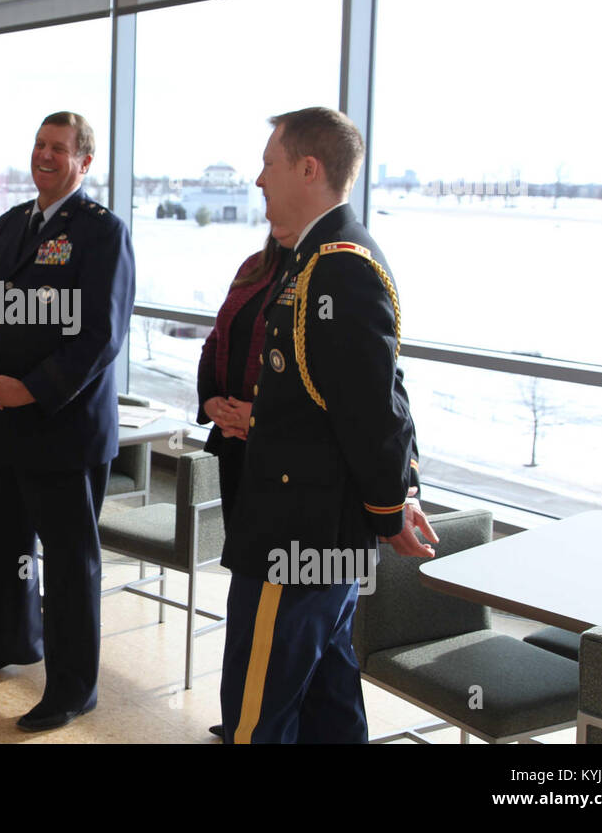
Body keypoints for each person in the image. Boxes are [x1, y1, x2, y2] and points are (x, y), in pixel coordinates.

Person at [219, 107, 436, 744]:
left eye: (268, 164)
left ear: (308, 168)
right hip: (313, 529)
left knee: (258, 718)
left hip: (297, 534)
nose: (259, 180)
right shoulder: (310, 256)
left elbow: (374, 406)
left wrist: (393, 503)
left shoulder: (338, 263)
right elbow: (347, 395)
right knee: (325, 703)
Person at [0, 111, 135, 733]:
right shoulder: (9, 226)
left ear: (85, 162)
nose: (45, 156)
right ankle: (10, 640)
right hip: (0, 420)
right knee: (2, 545)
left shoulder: (101, 232)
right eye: (39, 145)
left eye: (60, 148)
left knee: (67, 562)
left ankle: (72, 688)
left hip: (62, 425)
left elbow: (100, 336)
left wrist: (31, 390)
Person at [197, 233, 290, 527]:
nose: (261, 183)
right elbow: (217, 338)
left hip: (282, 451)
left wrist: (257, 417)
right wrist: (211, 401)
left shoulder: (326, 270)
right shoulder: (255, 265)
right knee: (242, 562)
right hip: (233, 440)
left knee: (276, 567)